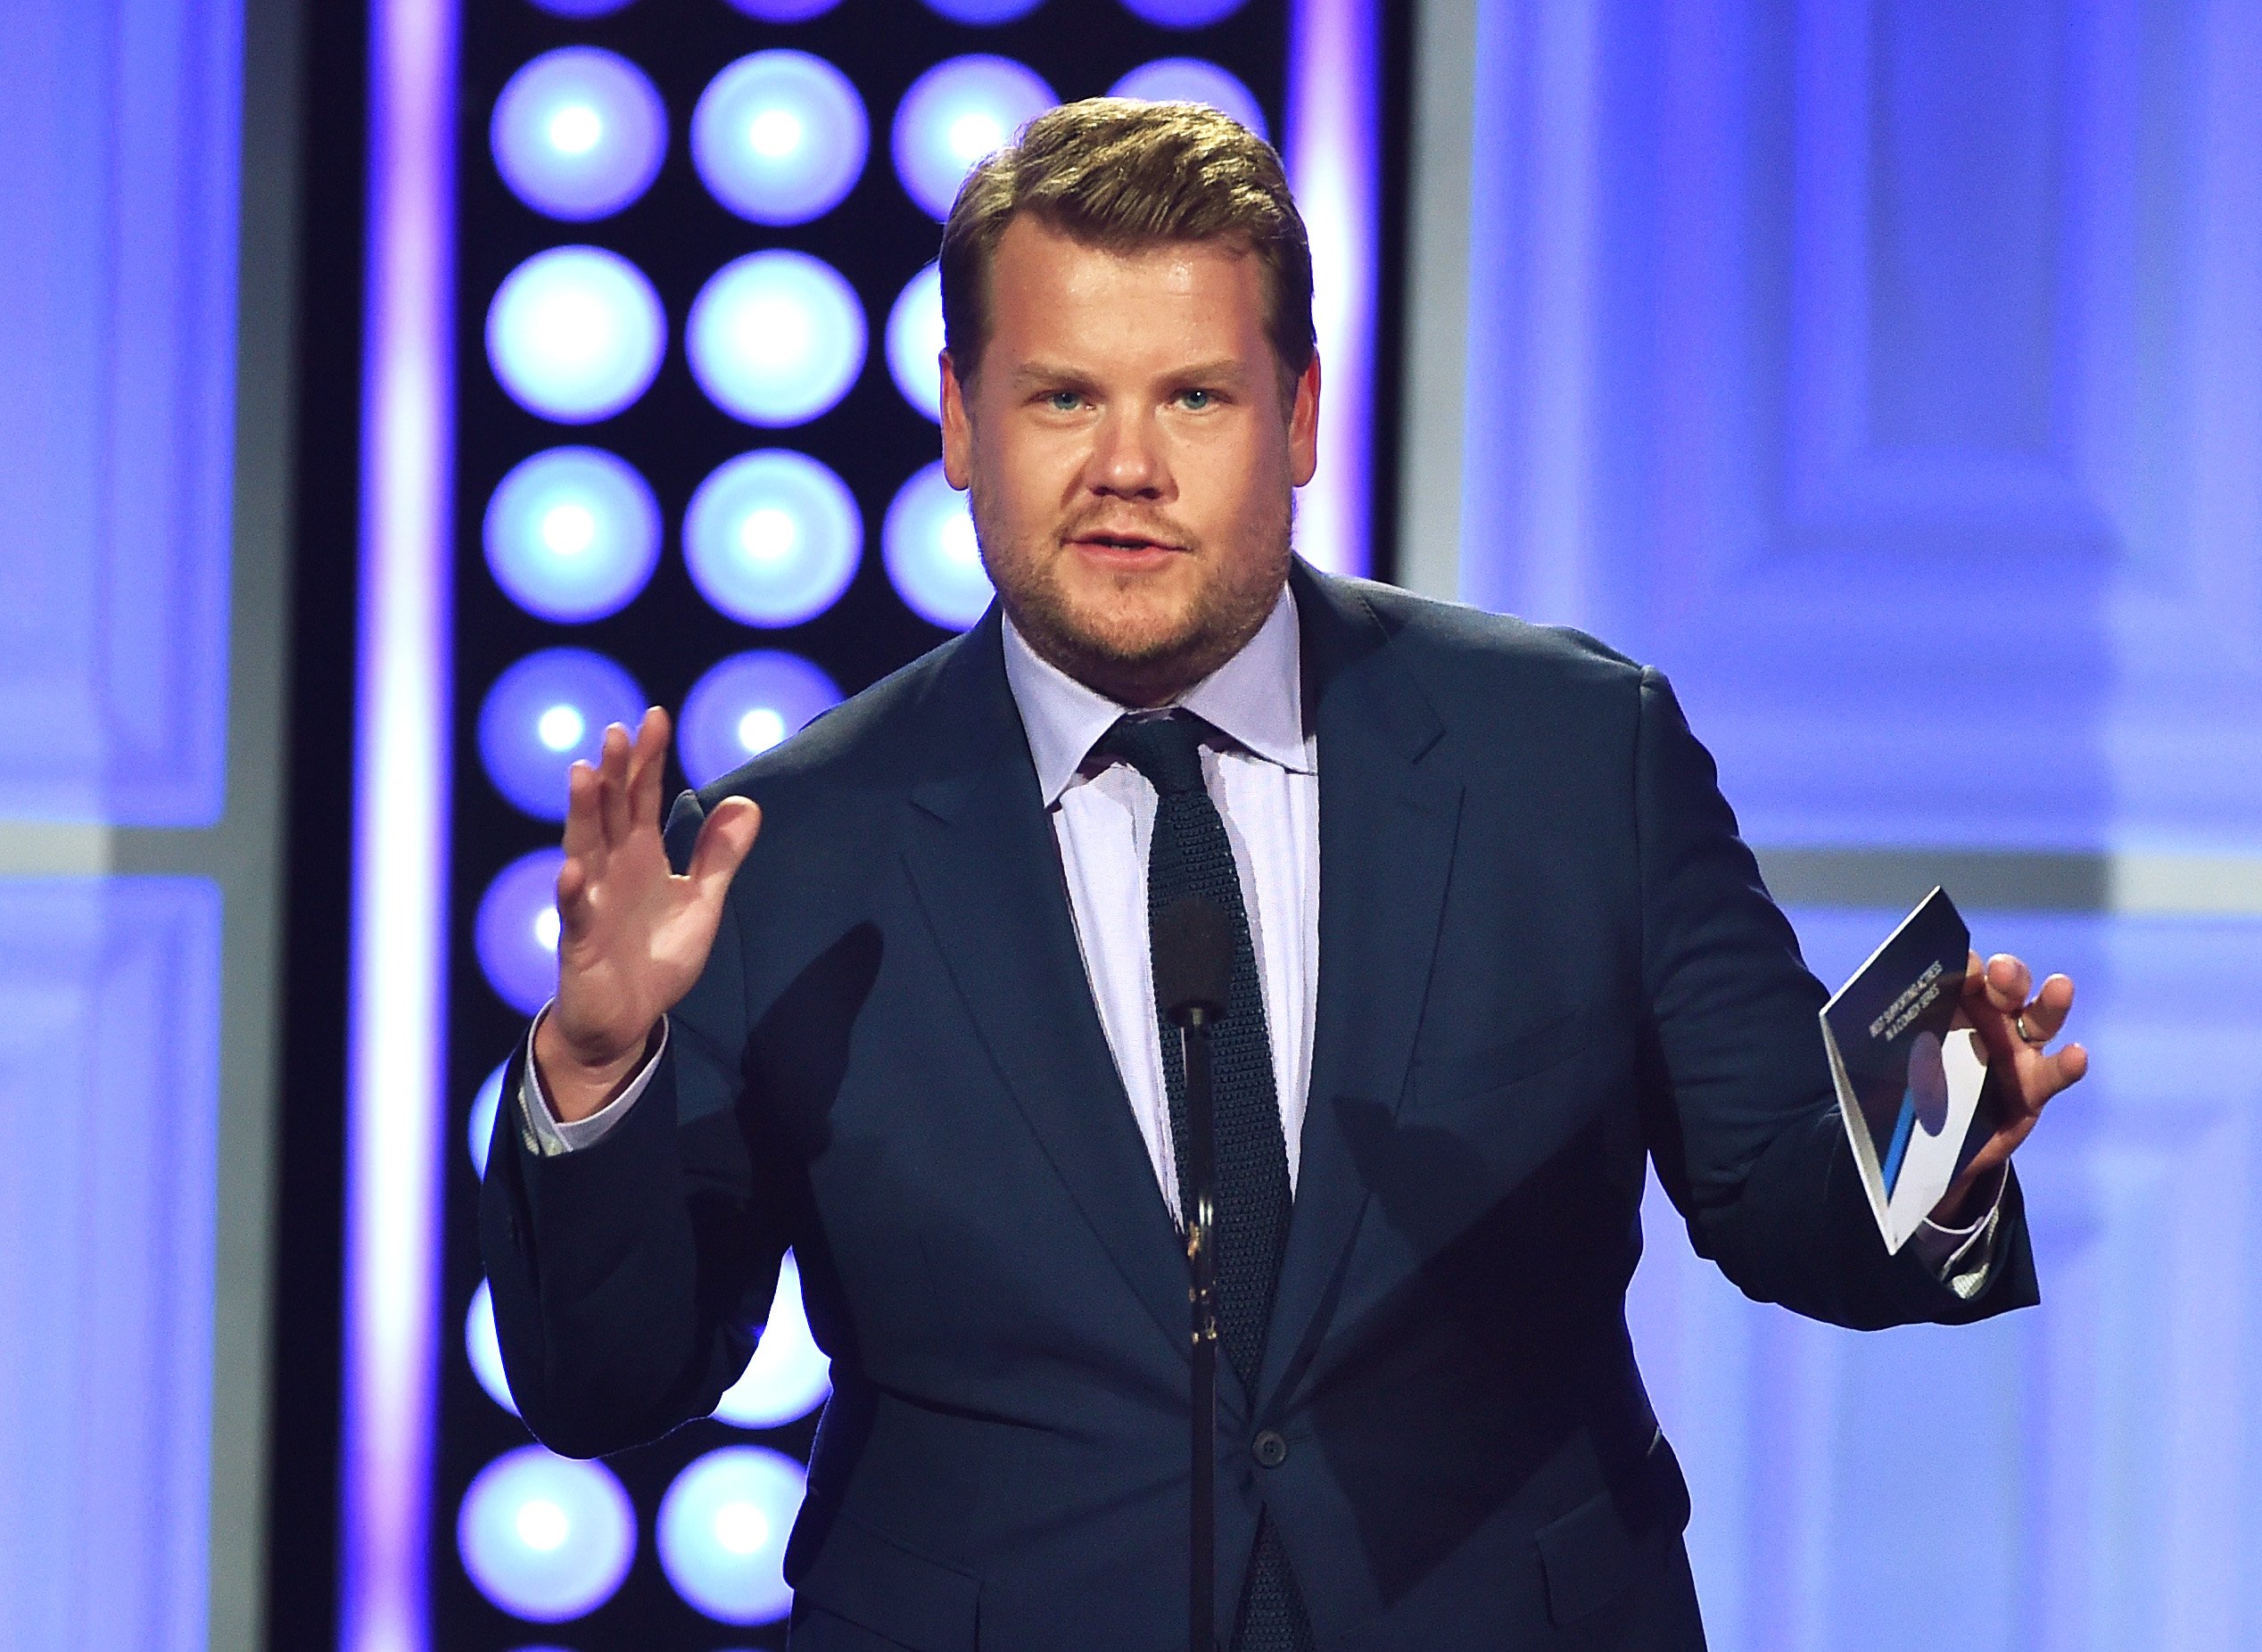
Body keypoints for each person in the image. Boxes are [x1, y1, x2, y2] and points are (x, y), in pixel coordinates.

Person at [480, 99, 2087, 1650]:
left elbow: (1782, 1192)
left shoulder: (1575, 752)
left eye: (1193, 397)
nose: (1125, 466)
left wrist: (1934, 1146)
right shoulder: (787, 847)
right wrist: (600, 1071)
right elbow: (608, 1386)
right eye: (1059, 400)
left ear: (1300, 415)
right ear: (960, 423)